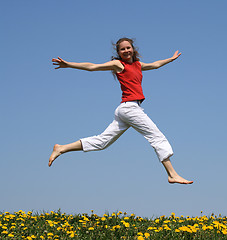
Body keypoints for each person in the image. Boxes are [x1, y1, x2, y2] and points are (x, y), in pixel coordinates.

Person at [49, 37, 193, 185]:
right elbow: (92, 67)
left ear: (133, 49)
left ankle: (62, 148)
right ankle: (172, 174)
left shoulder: (138, 65)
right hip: (129, 108)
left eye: (128, 48)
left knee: (103, 142)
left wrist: (171, 59)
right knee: (156, 136)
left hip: (127, 110)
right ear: (118, 52)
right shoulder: (118, 65)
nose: (126, 51)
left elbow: (155, 65)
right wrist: (68, 64)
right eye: (122, 49)